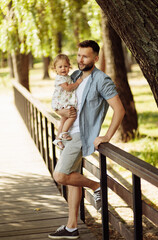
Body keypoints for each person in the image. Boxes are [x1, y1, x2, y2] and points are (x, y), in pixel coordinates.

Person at [48, 40, 125, 239]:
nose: (81, 60)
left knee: (60, 176)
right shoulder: (73, 75)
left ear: (96, 58)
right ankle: (71, 227)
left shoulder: (102, 80)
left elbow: (119, 110)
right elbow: (61, 103)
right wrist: (60, 112)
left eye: (86, 56)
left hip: (80, 136)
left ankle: (96, 186)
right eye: (79, 55)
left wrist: (106, 136)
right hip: (66, 134)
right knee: (73, 180)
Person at [51, 54, 82, 150]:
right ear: (55, 69)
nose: (63, 69)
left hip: (64, 101)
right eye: (60, 67)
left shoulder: (66, 77)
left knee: (63, 121)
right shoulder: (60, 78)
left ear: (69, 66)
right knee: (72, 115)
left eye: (65, 66)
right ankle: (64, 133)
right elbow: (68, 88)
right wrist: (77, 83)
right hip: (61, 102)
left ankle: (58, 139)